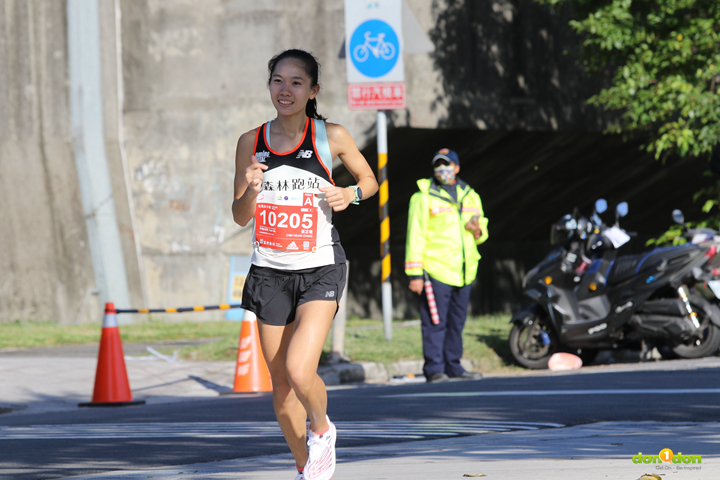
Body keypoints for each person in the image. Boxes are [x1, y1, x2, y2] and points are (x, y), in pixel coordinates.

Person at [232, 49, 378, 480]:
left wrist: (348, 195)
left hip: (320, 268)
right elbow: (240, 215)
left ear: (313, 91)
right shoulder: (250, 142)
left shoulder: (329, 136)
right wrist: (252, 190)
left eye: (296, 82)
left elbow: (369, 180)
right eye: (278, 80)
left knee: (300, 369)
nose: (285, 90)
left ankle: (323, 429)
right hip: (269, 272)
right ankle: (306, 467)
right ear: (269, 86)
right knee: (280, 392)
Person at [405, 148, 488, 383]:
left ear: (457, 168)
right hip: (435, 269)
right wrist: (415, 273)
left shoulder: (470, 195)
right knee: (435, 322)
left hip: (464, 270)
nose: (443, 170)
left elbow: (482, 231)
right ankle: (434, 369)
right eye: (438, 165)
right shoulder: (422, 197)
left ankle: (453, 365)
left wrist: (477, 231)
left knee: (456, 322)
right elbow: (415, 236)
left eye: (447, 164)